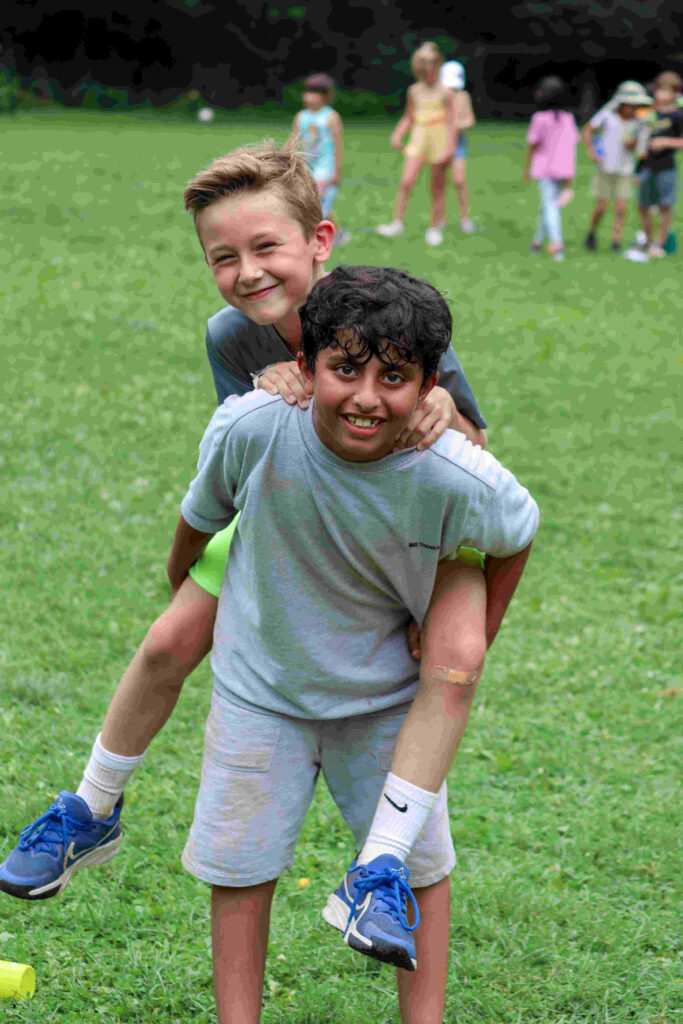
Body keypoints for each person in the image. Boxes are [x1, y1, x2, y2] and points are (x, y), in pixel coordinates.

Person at [0, 140, 489, 908]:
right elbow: (242, 463)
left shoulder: (386, 317)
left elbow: (475, 448)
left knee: (431, 669)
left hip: (385, 536)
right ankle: (91, 808)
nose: (247, 272)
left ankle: (388, 862)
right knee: (167, 639)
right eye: (223, 257)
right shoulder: (230, 337)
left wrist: (441, 409)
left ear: (318, 241)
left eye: (265, 247)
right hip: (280, 518)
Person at [171, 263, 538, 1022]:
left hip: (384, 700)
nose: (367, 397)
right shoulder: (252, 427)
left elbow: (518, 531)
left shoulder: (452, 472)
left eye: (394, 377)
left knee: (417, 869)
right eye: (344, 370)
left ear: (430, 385)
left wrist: (473, 632)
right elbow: (199, 520)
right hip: (261, 688)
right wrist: (188, 591)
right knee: (241, 868)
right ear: (304, 365)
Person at [376, 42, 456, 246]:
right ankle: (397, 223)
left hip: (439, 137)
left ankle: (434, 227)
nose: (427, 71)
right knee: (406, 181)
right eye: (423, 67)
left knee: (437, 185)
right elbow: (408, 117)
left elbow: (452, 122)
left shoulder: (446, 92)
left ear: (438, 66)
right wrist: (397, 135)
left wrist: (450, 147)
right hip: (419, 137)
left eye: (431, 66)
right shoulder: (414, 90)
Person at [582, 81, 653, 253]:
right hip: (605, 168)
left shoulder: (639, 122)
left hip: (625, 169)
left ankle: (616, 242)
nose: (631, 107)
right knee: (601, 207)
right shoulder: (607, 115)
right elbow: (588, 130)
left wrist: (633, 143)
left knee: (621, 208)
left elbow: (641, 150)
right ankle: (591, 233)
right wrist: (592, 152)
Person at [523, 75, 579, 261]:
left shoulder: (539, 119)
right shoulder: (568, 118)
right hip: (564, 168)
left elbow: (532, 145)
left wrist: (527, 167)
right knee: (547, 205)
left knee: (550, 205)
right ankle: (537, 242)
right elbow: (572, 145)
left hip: (545, 168)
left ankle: (557, 243)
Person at [292, 72, 351, 247]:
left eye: (315, 93)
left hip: (326, 168)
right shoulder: (301, 117)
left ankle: (309, 240)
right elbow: (294, 140)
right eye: (308, 92)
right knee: (318, 204)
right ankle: (339, 234)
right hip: (308, 166)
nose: (310, 97)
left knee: (314, 203)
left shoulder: (330, 117)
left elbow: (338, 145)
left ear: (326, 96)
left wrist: (337, 171)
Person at [635, 71, 683, 258]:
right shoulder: (651, 114)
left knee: (665, 206)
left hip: (667, 167)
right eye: (659, 90)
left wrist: (665, 142)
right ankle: (648, 241)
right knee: (642, 205)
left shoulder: (678, 117)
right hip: (647, 165)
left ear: (674, 94)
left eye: (665, 91)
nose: (660, 94)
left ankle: (660, 244)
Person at [439, 60, 476, 233]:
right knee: (440, 182)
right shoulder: (438, 96)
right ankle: (440, 218)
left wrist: (456, 126)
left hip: (458, 143)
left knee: (459, 181)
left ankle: (465, 218)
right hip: (439, 143)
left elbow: (470, 120)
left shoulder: (463, 97)